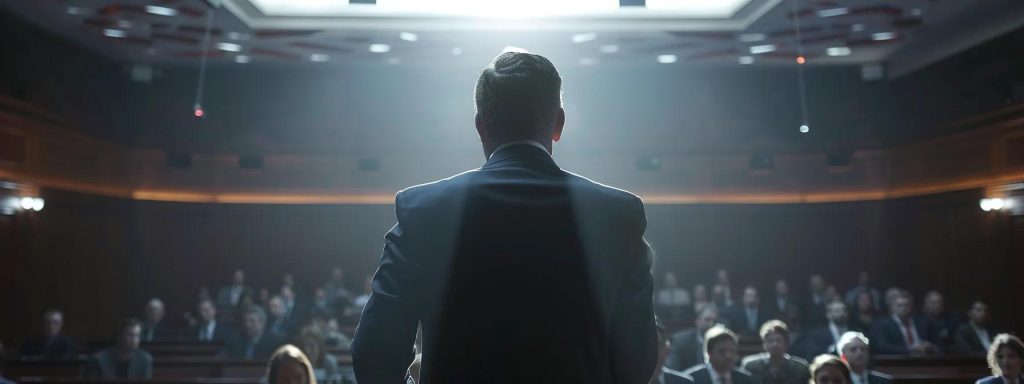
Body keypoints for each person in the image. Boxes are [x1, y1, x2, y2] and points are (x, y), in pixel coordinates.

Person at [351, 51, 657, 384]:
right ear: (559, 124)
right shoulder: (616, 214)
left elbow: (374, 354)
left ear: (480, 127)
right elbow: (636, 362)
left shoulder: (423, 210)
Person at [740, 320, 810, 384]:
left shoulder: (800, 368)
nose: (775, 344)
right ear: (764, 344)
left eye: (778, 340)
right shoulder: (751, 366)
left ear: (786, 343)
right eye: (770, 341)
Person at [679, 325, 754, 384]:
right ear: (709, 353)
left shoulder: (744, 379)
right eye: (722, 351)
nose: (728, 356)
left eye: (731, 351)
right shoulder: (692, 379)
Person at [868, 292, 938, 355]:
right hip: (897, 364)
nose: (904, 308)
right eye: (900, 305)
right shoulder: (882, 325)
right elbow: (882, 347)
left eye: (907, 305)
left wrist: (930, 347)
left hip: (924, 362)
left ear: (912, 307)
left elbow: (935, 343)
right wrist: (911, 349)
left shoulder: (923, 323)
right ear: (893, 307)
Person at [82, 318, 153, 379]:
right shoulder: (98, 360)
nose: (134, 339)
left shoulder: (144, 360)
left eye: (137, 335)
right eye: (130, 335)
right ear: (120, 336)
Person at [667, 306, 720, 371]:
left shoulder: (722, 341)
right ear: (698, 321)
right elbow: (673, 368)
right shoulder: (681, 341)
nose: (711, 324)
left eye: (714, 321)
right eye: (707, 320)